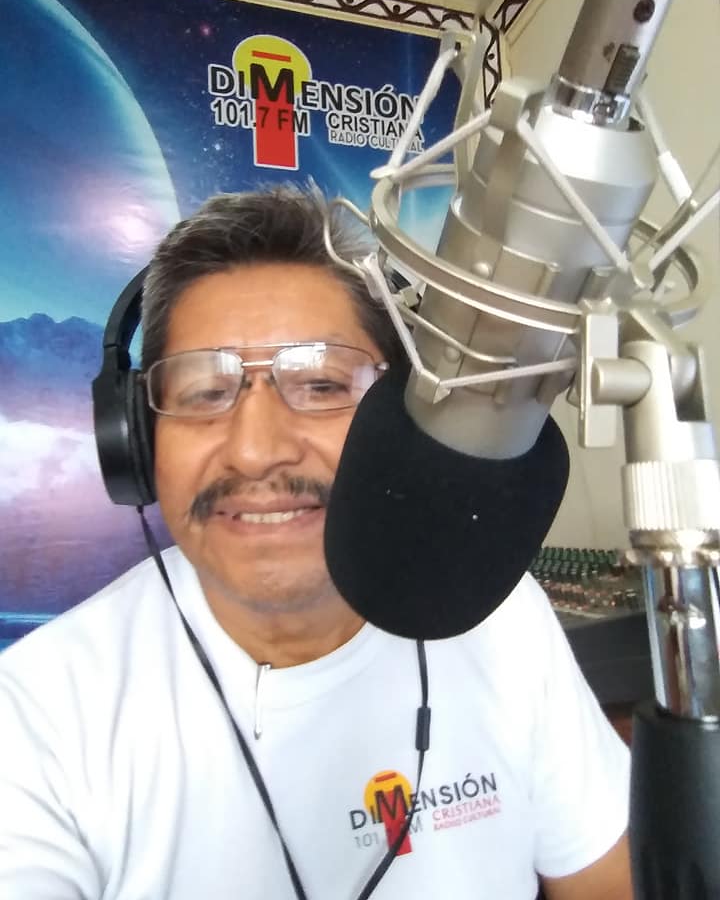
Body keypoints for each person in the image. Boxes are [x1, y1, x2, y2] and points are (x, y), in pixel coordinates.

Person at [0, 185, 633, 899]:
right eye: (205, 392)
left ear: (405, 419)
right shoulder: (36, 717)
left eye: (322, 385)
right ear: (136, 440)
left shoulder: (500, 618)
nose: (256, 451)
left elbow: (608, 881)